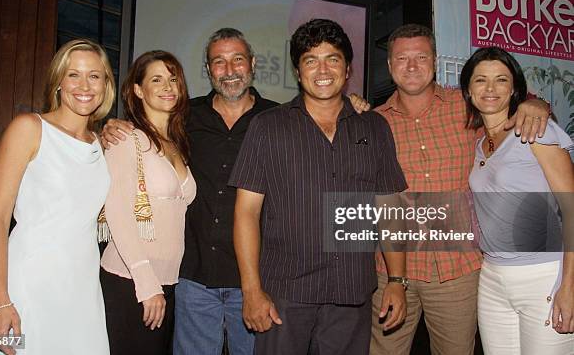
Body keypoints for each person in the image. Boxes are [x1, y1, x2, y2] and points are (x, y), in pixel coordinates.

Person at [101, 27, 369, 354]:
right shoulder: (184, 118)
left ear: (253, 63)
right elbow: (144, 130)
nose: (229, 70)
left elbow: (329, 119)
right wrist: (113, 125)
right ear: (208, 69)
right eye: (219, 62)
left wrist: (352, 104)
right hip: (193, 278)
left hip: (255, 283)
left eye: (238, 59)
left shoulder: (279, 120)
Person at [229, 18, 408, 355]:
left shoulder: (375, 126)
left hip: (352, 293)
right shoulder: (268, 127)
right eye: (311, 60)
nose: (322, 69)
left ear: (348, 68)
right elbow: (246, 213)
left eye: (333, 59)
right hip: (284, 294)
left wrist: (397, 282)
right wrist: (252, 290)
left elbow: (389, 207)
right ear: (298, 71)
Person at [371, 24, 551, 355]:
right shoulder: (373, 121)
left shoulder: (466, 106)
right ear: (389, 65)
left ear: (435, 61)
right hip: (394, 270)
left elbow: (512, 100)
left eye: (421, 56)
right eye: (402, 58)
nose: (412, 66)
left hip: (458, 271)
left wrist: (535, 104)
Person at [0, 39, 115, 354]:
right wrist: (0, 302)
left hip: (82, 288)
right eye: (73, 75)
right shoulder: (29, 128)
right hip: (27, 283)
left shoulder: (102, 143)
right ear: (58, 82)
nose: (84, 85)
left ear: (106, 84)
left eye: (94, 76)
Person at [461, 46, 574, 354]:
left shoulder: (537, 131)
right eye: (480, 80)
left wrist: (570, 286)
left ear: (513, 89)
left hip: (544, 275)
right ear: (469, 91)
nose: (490, 88)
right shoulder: (481, 145)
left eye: (501, 80)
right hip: (493, 278)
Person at [99, 51, 196, 355]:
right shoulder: (127, 139)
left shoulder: (177, 143)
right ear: (138, 90)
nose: (168, 86)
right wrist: (147, 284)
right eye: (157, 79)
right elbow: (117, 213)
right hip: (131, 281)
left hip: (167, 282)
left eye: (173, 78)